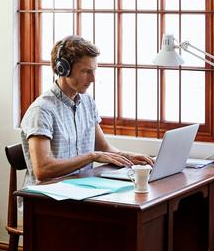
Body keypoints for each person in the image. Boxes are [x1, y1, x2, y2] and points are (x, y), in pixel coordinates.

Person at [20, 36, 154, 185]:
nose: (93, 79)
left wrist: (130, 157)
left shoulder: (87, 102)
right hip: (45, 201)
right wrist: (91, 156)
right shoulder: (42, 110)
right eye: (86, 71)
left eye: (94, 71)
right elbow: (43, 170)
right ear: (63, 69)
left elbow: (103, 148)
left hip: (80, 191)